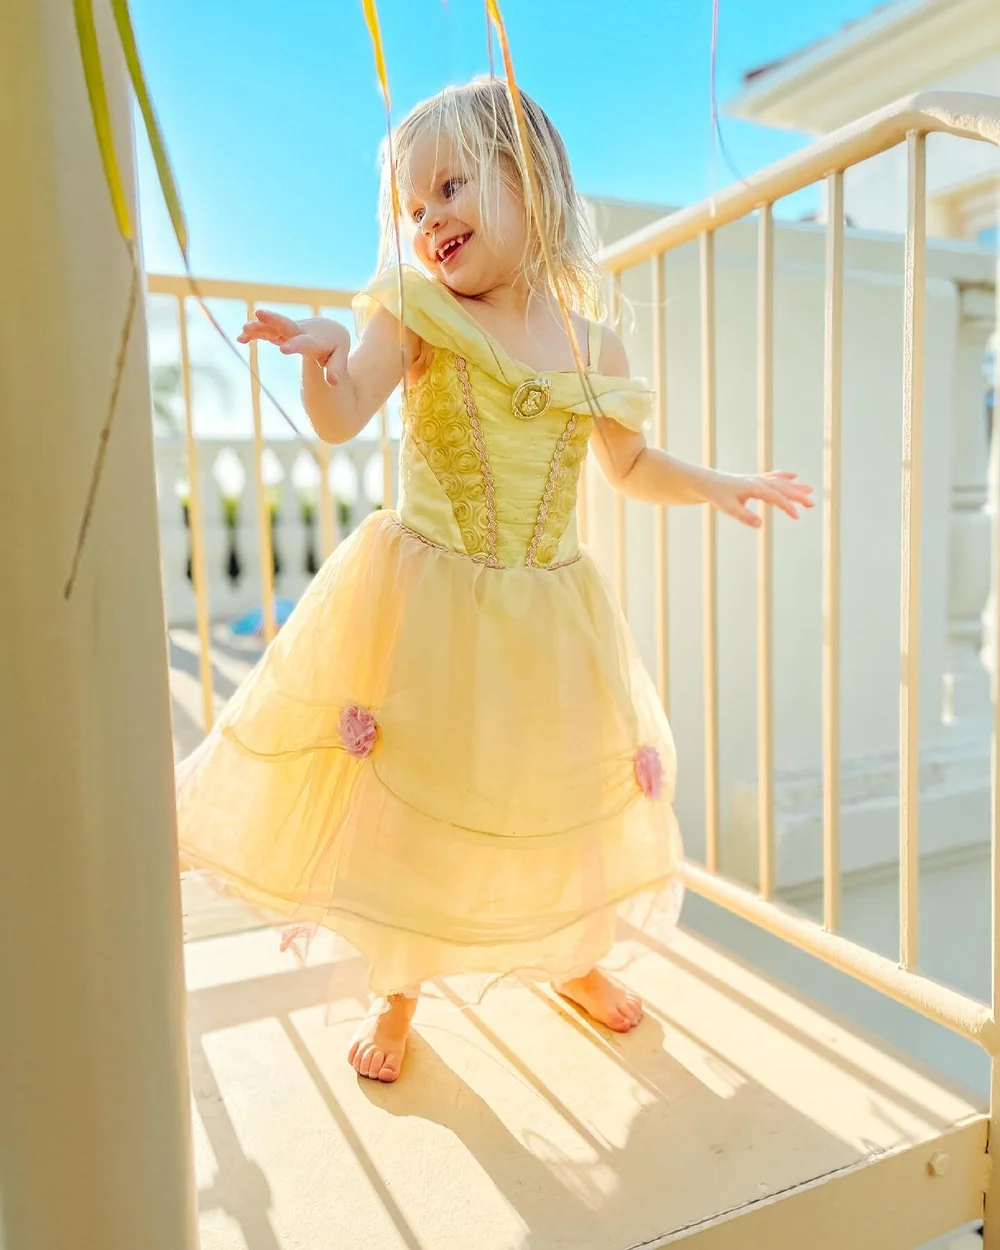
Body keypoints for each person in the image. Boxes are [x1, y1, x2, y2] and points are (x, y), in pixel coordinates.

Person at [175, 77, 812, 1084]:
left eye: (450, 188)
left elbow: (631, 466)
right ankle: (398, 982)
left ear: (531, 183)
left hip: (548, 609)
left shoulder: (592, 345)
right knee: (418, 791)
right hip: (431, 600)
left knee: (550, 788)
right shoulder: (417, 311)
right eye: (412, 208)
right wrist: (323, 357)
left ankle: (571, 953)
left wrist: (721, 482)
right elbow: (341, 416)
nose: (429, 221)